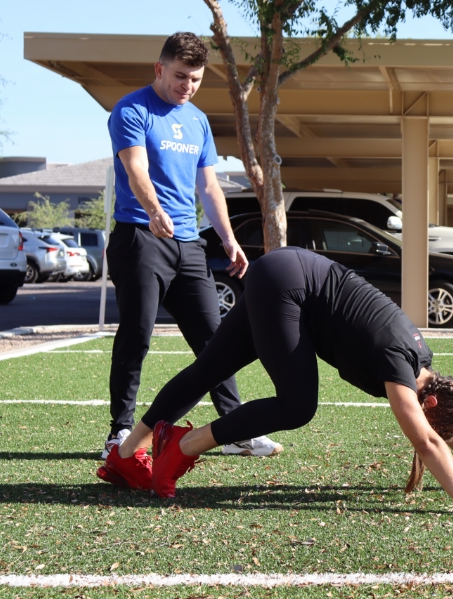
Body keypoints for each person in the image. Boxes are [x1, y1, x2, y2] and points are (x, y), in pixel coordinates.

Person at [99, 248, 453, 518]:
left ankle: (125, 454)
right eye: (434, 423)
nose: (433, 433)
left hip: (283, 271)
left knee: (208, 370)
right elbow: (430, 443)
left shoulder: (424, 365)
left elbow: (451, 428)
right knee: (297, 405)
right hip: (288, 287)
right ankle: (180, 447)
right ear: (429, 405)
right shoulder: (398, 363)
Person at [99, 31, 281, 463]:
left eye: (196, 79)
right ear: (159, 69)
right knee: (136, 335)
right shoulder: (132, 109)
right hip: (141, 237)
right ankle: (120, 430)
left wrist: (228, 238)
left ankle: (234, 428)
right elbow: (136, 169)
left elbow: (208, 185)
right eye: (181, 76)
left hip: (189, 244)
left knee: (216, 340)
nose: (188, 86)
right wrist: (154, 210)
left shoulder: (197, 120)